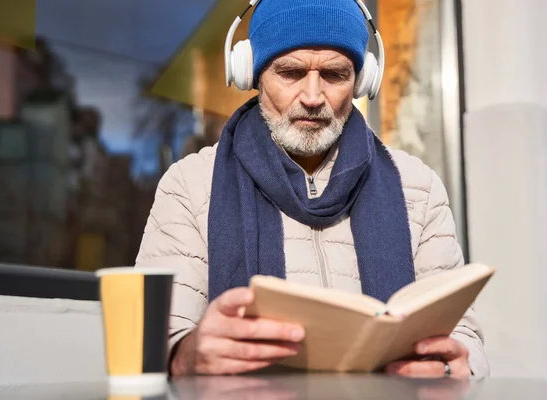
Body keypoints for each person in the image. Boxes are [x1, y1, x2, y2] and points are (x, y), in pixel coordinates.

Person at [135, 0, 489, 378]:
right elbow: (152, 341)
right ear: (249, 71)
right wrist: (184, 355)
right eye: (290, 72)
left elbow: (465, 338)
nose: (313, 97)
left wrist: (459, 366)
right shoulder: (189, 185)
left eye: (335, 75)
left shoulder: (418, 187)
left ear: (363, 80)